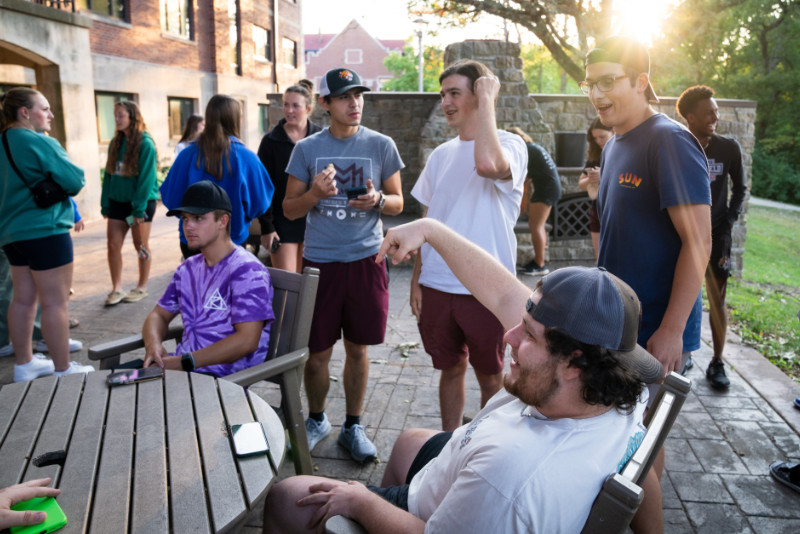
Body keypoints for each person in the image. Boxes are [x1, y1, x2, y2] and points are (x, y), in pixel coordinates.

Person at [263, 217, 664, 534]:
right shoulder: (616, 388)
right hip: (457, 474)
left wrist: (364, 504)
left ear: (575, 363)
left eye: (527, 335)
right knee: (406, 443)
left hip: (444, 510)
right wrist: (429, 230)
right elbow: (505, 294)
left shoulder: (508, 482)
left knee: (286, 496)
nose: (508, 337)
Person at [583, 36, 711, 484]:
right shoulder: (615, 142)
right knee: (621, 437)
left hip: (656, 330)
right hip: (617, 323)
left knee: (642, 444)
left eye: (607, 81)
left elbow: (700, 244)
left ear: (641, 82)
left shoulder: (670, 141)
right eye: (589, 84)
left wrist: (673, 330)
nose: (597, 94)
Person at [283, 67, 404, 462]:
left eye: (359, 95)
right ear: (325, 103)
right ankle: (317, 419)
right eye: (345, 97)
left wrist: (379, 202)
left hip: (366, 260)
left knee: (358, 349)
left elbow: (400, 202)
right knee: (316, 352)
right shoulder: (306, 149)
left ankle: (353, 425)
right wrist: (315, 194)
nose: (355, 103)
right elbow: (288, 208)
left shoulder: (381, 145)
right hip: (320, 263)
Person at [409, 60, 527, 432]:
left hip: (487, 290)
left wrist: (489, 99)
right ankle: (447, 443)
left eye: (454, 93)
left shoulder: (511, 146)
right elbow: (429, 219)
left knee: (491, 376)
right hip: (437, 286)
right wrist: (417, 278)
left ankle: (480, 448)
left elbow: (489, 164)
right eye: (443, 94)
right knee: (449, 369)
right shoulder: (441, 154)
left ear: (479, 94)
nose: (445, 102)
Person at [0, 88, 94, 381]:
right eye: (45, 108)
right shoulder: (38, 141)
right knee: (55, 302)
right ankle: (63, 369)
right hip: (46, 230)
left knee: (22, 300)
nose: (51, 115)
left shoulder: (2, 142)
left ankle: (25, 364)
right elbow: (75, 179)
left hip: (12, 234)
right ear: (25, 112)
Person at [142, 180, 274, 377]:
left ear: (223, 221)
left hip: (223, 383)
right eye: (185, 218)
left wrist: (183, 363)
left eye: (198, 218)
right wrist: (153, 345)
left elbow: (247, 340)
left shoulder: (247, 271)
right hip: (182, 375)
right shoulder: (187, 269)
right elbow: (158, 316)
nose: (188, 226)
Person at [676, 85, 746, 390]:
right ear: (690, 116)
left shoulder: (728, 148)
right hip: (682, 236)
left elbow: (740, 188)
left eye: (716, 112)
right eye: (708, 113)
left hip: (717, 237)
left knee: (717, 301)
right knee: (681, 295)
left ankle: (717, 362)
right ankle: (683, 352)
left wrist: (728, 221)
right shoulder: (677, 146)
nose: (715, 117)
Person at [161, 95, 274, 260]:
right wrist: (241, 217)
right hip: (231, 240)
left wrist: (194, 219)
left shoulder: (187, 155)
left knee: (198, 286)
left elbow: (171, 199)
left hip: (192, 241)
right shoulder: (245, 157)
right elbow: (260, 202)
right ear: (236, 119)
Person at [257, 80, 322, 272]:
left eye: (296, 105)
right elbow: (262, 188)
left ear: (308, 108)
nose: (289, 110)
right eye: (286, 104)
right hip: (282, 222)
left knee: (309, 287)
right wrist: (267, 227)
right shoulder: (270, 141)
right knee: (288, 287)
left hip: (315, 223)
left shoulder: (321, 138)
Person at [101, 100, 159, 306]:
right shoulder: (115, 143)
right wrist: (105, 203)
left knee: (141, 245)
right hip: (117, 202)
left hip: (140, 204)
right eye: (115, 115)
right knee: (112, 245)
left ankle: (142, 286)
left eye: (120, 115)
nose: (116, 119)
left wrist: (138, 209)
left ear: (132, 117)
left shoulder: (145, 143)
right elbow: (108, 175)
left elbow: (146, 179)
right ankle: (116, 288)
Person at [509, 127, 560, 276]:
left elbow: (520, 177)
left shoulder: (525, 150)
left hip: (546, 188)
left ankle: (540, 265)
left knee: (537, 226)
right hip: (547, 187)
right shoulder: (531, 147)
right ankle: (538, 261)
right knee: (536, 225)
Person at [578, 117, 614, 259]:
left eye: (602, 137)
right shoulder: (595, 155)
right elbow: (581, 184)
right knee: (600, 257)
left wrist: (603, 175)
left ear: (613, 131)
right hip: (597, 208)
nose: (598, 141)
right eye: (595, 138)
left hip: (615, 209)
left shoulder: (621, 150)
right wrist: (591, 178)